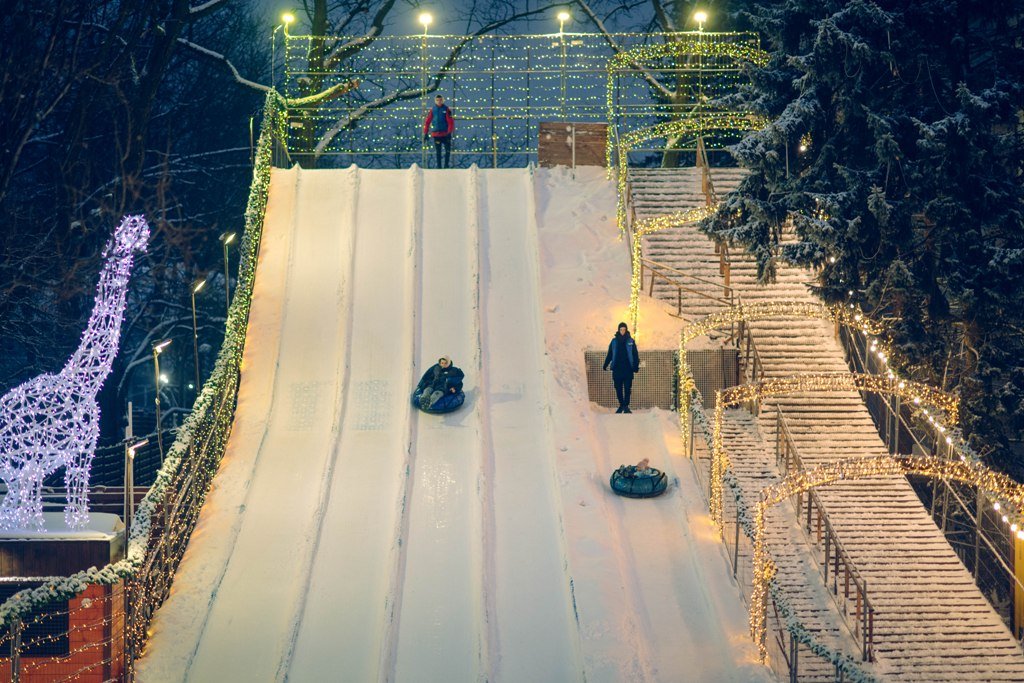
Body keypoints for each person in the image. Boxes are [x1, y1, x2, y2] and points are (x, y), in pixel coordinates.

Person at [603, 321, 640, 413]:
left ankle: (626, 406)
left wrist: (635, 366)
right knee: (618, 388)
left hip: (628, 369)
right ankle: (621, 405)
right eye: (621, 329)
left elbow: (635, 355)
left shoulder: (631, 341)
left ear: (626, 330)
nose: (622, 331)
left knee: (627, 388)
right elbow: (610, 354)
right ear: (618, 330)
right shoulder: (614, 341)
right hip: (617, 369)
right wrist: (606, 364)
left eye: (624, 329)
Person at [423, 94, 455, 169]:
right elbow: (427, 121)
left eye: (440, 100)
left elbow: (450, 122)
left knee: (447, 150)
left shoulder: (446, 109)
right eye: (437, 100)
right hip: (436, 134)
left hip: (445, 134)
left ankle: (446, 165)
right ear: (435, 101)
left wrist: (449, 132)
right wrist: (425, 133)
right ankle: (439, 167)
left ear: (443, 100)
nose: (439, 101)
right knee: (438, 152)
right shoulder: (432, 110)